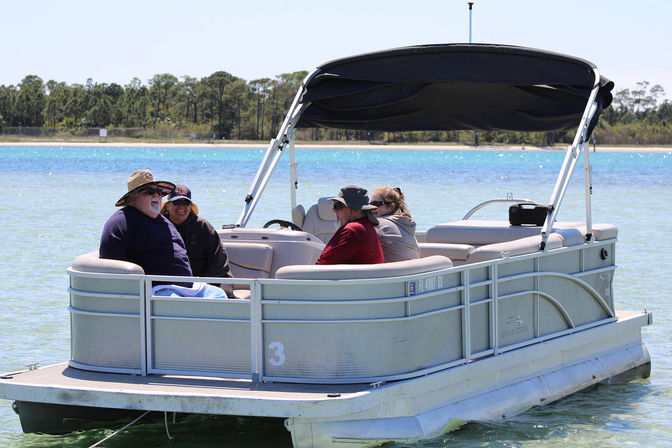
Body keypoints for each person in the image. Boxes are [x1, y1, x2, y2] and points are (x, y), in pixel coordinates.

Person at [99, 169, 192, 278]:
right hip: (156, 290)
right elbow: (111, 267)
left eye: (159, 192)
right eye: (150, 192)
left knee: (217, 294)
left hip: (188, 288)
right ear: (133, 197)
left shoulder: (165, 222)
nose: (157, 195)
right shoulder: (120, 222)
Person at [160, 185, 233, 293]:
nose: (181, 207)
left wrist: (202, 286)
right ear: (167, 206)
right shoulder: (160, 226)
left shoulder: (203, 226)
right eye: (176, 202)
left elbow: (219, 262)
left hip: (211, 280)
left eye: (185, 203)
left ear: (191, 206)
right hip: (174, 283)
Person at [316, 185, 384, 265]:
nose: (334, 210)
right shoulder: (368, 226)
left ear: (356, 209)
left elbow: (322, 266)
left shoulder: (352, 230)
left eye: (338, 206)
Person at [370, 186, 421, 262]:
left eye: (376, 204)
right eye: (370, 204)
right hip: (411, 271)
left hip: (391, 273)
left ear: (391, 207)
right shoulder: (405, 225)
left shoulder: (379, 224)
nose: (372, 208)